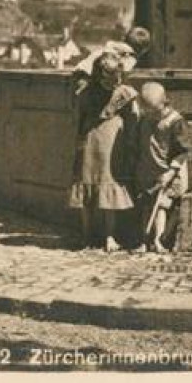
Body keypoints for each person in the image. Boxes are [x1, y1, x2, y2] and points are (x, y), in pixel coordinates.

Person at [68, 51, 138, 252]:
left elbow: (133, 119)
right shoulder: (87, 92)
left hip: (112, 142)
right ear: (99, 74)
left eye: (116, 76)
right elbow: (79, 116)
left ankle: (108, 236)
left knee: (108, 185)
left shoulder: (124, 92)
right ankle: (87, 235)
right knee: (87, 186)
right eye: (109, 77)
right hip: (91, 139)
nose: (113, 82)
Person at [134, 82, 191, 254]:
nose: (151, 115)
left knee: (161, 205)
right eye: (147, 111)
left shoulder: (175, 122)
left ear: (164, 103)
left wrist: (171, 172)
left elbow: (183, 151)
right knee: (146, 205)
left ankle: (158, 240)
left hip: (168, 171)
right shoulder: (145, 119)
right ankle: (144, 240)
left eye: (154, 111)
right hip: (147, 170)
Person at [71, 26, 151, 97]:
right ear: (143, 50)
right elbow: (124, 72)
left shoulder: (111, 46)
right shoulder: (129, 56)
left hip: (80, 73)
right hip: (95, 83)